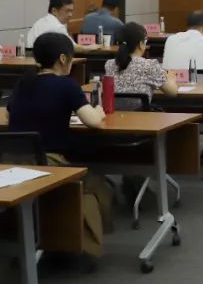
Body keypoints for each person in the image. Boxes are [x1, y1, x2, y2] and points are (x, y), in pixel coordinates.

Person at [8, 33, 109, 258]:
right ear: (63, 59)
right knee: (92, 182)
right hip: (48, 161)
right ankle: (82, 246)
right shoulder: (66, 85)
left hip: (12, 162)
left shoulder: (22, 84)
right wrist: (99, 110)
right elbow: (93, 121)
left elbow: (9, 114)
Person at [105, 22, 178, 99]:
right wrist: (171, 79)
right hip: (140, 107)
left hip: (115, 107)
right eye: (145, 41)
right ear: (141, 44)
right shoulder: (150, 65)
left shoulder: (109, 64)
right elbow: (172, 92)